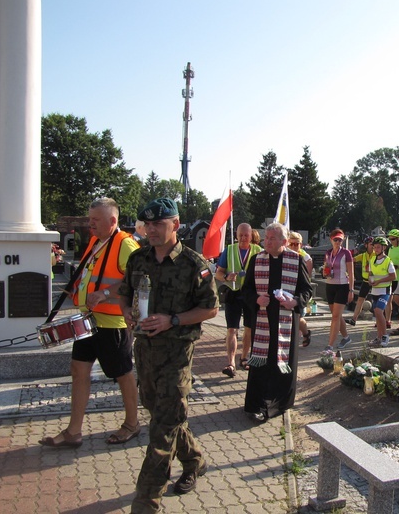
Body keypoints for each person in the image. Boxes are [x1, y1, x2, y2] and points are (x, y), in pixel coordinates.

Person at [118, 198, 218, 512]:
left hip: (177, 353)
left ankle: (146, 500)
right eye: (147, 225)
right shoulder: (138, 258)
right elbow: (125, 294)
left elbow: (211, 308)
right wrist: (128, 315)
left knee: (161, 429)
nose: (151, 230)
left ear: (175, 225)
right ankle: (194, 460)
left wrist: (172, 320)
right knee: (166, 415)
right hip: (145, 351)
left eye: (158, 224)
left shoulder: (193, 263)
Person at [39, 198, 140, 449]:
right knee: (78, 369)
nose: (90, 224)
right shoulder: (96, 241)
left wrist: (105, 294)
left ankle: (132, 423)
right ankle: (74, 432)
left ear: (112, 221)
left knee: (123, 373)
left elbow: (138, 281)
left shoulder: (125, 244)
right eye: (89, 219)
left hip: (112, 324)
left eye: (95, 220)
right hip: (87, 322)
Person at [242, 223, 312, 422]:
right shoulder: (257, 260)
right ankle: (256, 405)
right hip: (262, 322)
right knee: (261, 365)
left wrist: (295, 302)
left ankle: (279, 403)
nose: (267, 242)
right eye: (266, 238)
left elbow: (306, 290)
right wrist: (256, 299)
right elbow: (245, 290)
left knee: (282, 364)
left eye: (272, 238)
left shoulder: (296, 261)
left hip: (286, 322)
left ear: (284, 241)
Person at [215, 223, 261, 376]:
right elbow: (218, 273)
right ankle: (230, 363)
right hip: (233, 293)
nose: (243, 238)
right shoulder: (229, 250)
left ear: (251, 235)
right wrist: (227, 276)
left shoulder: (258, 251)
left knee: (249, 328)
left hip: (250, 294)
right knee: (232, 329)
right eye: (240, 235)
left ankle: (244, 357)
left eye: (246, 235)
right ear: (236, 235)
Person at [323, 229, 354, 351]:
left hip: (342, 286)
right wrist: (325, 272)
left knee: (335, 316)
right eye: (335, 239)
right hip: (330, 285)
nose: (337, 242)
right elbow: (326, 267)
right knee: (336, 315)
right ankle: (346, 337)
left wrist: (351, 290)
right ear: (331, 239)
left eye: (340, 240)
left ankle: (330, 345)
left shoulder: (346, 253)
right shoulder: (328, 252)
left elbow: (351, 274)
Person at [366, 237, 396, 347]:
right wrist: (370, 280)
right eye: (374, 247)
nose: (376, 249)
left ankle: (384, 336)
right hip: (375, 291)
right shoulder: (372, 260)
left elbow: (393, 276)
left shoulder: (388, 261)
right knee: (377, 315)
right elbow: (371, 274)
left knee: (379, 312)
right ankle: (378, 337)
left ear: (384, 248)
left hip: (385, 290)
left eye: (378, 247)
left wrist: (379, 281)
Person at [287, 231, 314, 346]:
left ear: (301, 245)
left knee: (298, 318)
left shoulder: (303, 257)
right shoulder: (285, 255)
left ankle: (306, 333)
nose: (294, 246)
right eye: (291, 244)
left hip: (299, 292)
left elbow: (307, 277)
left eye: (296, 244)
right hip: (287, 291)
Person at [347, 236, 375, 326]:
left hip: (376, 281)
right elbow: (352, 259)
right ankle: (354, 319)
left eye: (374, 244)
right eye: (371, 244)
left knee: (377, 302)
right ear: (366, 245)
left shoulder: (377, 255)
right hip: (366, 281)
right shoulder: (363, 255)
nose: (373, 246)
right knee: (360, 300)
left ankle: (382, 321)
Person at [385, 229, 399, 334]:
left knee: (398, 300)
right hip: (392, 278)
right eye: (390, 239)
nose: (391, 241)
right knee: (391, 300)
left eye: (393, 239)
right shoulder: (390, 249)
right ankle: (389, 321)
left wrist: (397, 266)